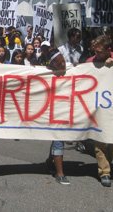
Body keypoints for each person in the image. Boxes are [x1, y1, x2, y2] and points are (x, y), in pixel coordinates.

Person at [86, 35, 113, 187]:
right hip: (97, 106)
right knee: (99, 140)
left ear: (109, 50)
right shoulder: (90, 62)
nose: (97, 54)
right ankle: (105, 172)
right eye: (95, 51)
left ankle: (105, 162)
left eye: (100, 52)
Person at [43, 48, 70, 184]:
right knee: (59, 137)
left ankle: (50, 161)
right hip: (53, 111)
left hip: (67, 109)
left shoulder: (72, 69)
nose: (62, 65)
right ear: (52, 65)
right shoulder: (45, 73)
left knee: (59, 138)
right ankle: (60, 173)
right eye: (58, 64)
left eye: (63, 61)